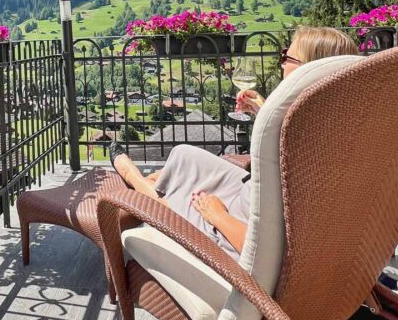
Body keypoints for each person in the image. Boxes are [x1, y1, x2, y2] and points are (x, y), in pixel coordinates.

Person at [109, 26, 359, 260]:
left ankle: (133, 177)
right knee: (184, 154)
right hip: (251, 195)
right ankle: (159, 179)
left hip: (239, 223)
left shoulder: (306, 148)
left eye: (287, 57)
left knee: (170, 204)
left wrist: (216, 214)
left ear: (309, 69)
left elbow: (262, 253)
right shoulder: (331, 128)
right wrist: (263, 110)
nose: (281, 63)